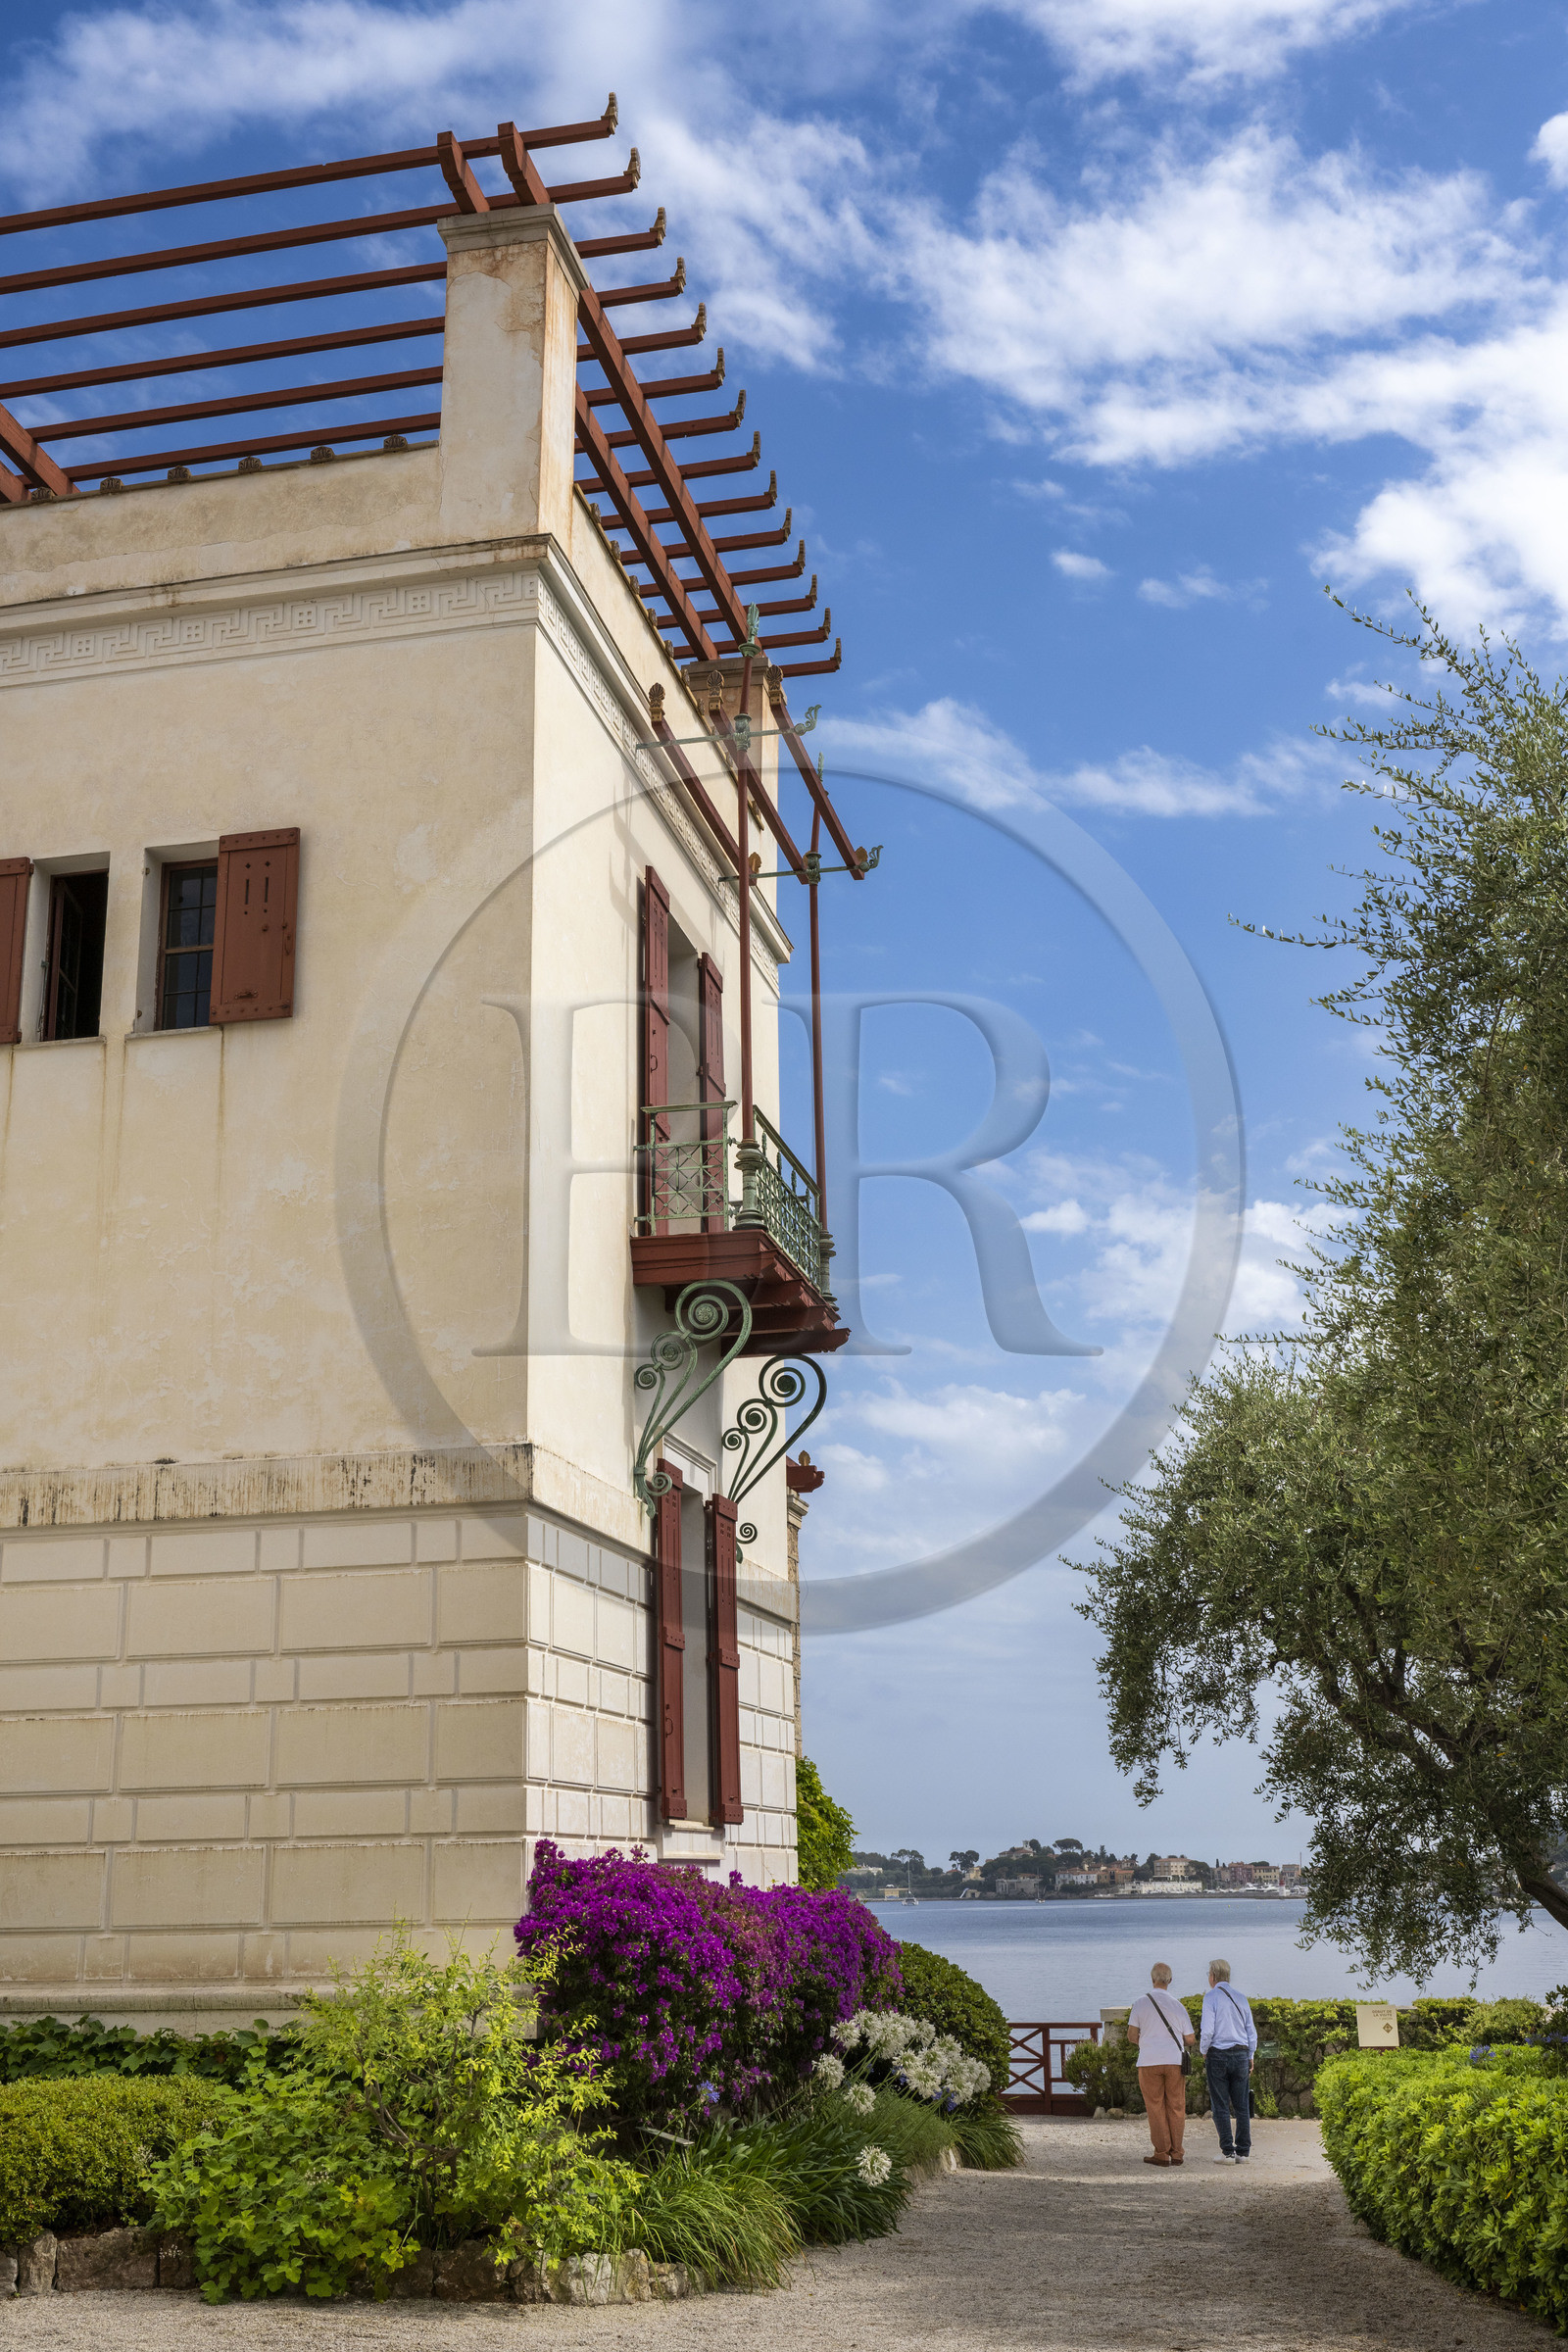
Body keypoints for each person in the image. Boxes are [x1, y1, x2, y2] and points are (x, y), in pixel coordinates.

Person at [1125, 1962, 1195, 2167]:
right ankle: (1177, 2153)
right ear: (1170, 1980)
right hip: (1174, 2062)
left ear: (1152, 1978)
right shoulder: (1178, 2005)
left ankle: (1162, 2153)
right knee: (1176, 2106)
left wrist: (1148, 2043)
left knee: (1155, 2107)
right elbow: (1190, 2039)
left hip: (1149, 2062)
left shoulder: (1140, 2003)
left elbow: (1131, 2036)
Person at [1200, 1958, 1257, 2163]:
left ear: (1213, 1976)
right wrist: (1250, 2055)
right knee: (1242, 2106)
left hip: (1218, 2054)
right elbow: (1251, 2031)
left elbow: (1207, 2030)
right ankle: (1243, 2152)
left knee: (1220, 2105)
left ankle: (1228, 2152)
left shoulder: (1211, 1997)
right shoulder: (1241, 1998)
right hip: (1241, 2054)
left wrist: (1203, 2050)